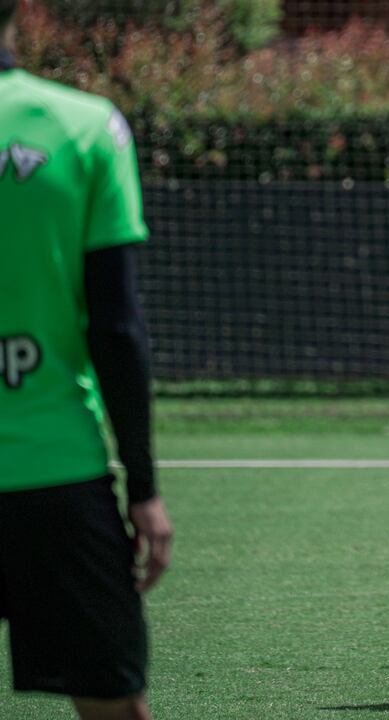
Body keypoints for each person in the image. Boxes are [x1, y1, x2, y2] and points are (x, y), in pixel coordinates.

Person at [0, 2, 173, 718]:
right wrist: (144, 485)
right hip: (53, 474)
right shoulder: (84, 124)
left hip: (55, 471)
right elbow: (116, 326)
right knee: (110, 704)